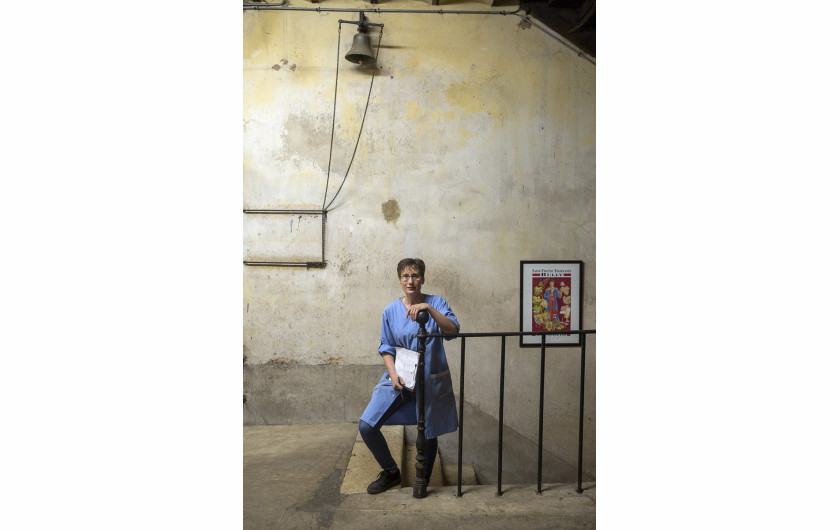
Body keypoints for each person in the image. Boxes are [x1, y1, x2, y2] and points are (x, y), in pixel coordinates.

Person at [358, 258, 460, 494]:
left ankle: (422, 480)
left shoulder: (437, 302)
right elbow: (386, 346)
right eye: (406, 276)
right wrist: (393, 375)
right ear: (399, 280)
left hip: (429, 379)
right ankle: (391, 472)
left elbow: (453, 331)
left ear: (423, 279)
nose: (410, 281)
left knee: (429, 429)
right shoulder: (390, 310)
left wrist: (429, 309)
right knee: (367, 426)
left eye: (415, 276)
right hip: (400, 376)